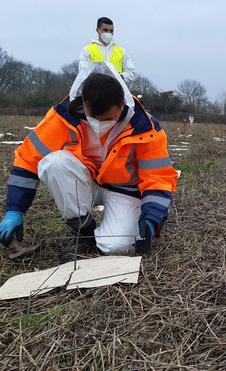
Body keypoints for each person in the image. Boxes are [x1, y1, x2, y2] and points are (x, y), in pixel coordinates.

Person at [0, 70, 177, 259]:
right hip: (85, 181)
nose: (100, 124)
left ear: (123, 104)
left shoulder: (144, 127)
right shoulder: (63, 117)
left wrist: (151, 220)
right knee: (55, 164)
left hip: (123, 190)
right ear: (84, 104)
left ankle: (107, 238)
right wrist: (15, 210)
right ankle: (84, 234)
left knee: (117, 246)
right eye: (93, 118)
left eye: (109, 119)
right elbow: (28, 160)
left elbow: (158, 178)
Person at [79, 17, 136, 83]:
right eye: (105, 30)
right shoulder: (87, 50)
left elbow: (131, 72)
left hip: (117, 90)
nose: (109, 33)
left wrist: (120, 77)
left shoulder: (121, 51)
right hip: (94, 90)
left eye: (111, 30)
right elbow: (83, 72)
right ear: (97, 30)